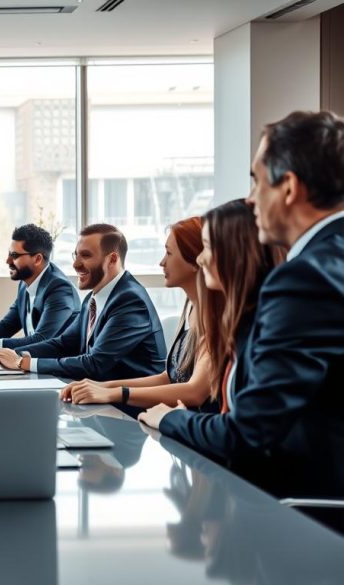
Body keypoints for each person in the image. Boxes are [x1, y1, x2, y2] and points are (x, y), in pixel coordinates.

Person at [140, 111, 344, 499]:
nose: (251, 200)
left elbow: (249, 433)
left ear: (288, 187)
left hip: (302, 518)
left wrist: (172, 419)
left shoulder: (306, 279)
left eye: (256, 181)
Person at [61, 216, 214, 409]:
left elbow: (194, 392)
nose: (161, 262)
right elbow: (169, 377)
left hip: (190, 426)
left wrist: (114, 392)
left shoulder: (214, 317)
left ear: (196, 260)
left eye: (169, 253)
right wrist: (101, 387)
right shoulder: (190, 308)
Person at [0, 224, 166, 381]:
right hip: (96, 397)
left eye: (86, 256)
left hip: (129, 409)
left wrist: (22, 363)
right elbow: (64, 343)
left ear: (112, 259)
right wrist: (15, 354)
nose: (75, 264)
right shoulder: (93, 298)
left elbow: (94, 364)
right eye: (76, 255)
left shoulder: (130, 301)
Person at [0, 224, 79, 352]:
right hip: (31, 364)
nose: (8, 261)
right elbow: (8, 325)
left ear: (37, 259)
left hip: (56, 368)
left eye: (14, 255)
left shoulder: (60, 289)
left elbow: (42, 339)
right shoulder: (25, 283)